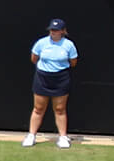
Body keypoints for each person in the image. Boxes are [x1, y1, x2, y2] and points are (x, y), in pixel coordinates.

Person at [29, 19, 78, 148]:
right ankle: (31, 135)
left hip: (61, 78)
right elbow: (34, 59)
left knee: (60, 109)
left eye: (56, 30)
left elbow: (73, 62)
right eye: (52, 30)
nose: (53, 32)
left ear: (62, 31)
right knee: (38, 108)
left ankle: (62, 137)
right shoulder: (41, 43)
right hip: (43, 77)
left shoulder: (69, 45)